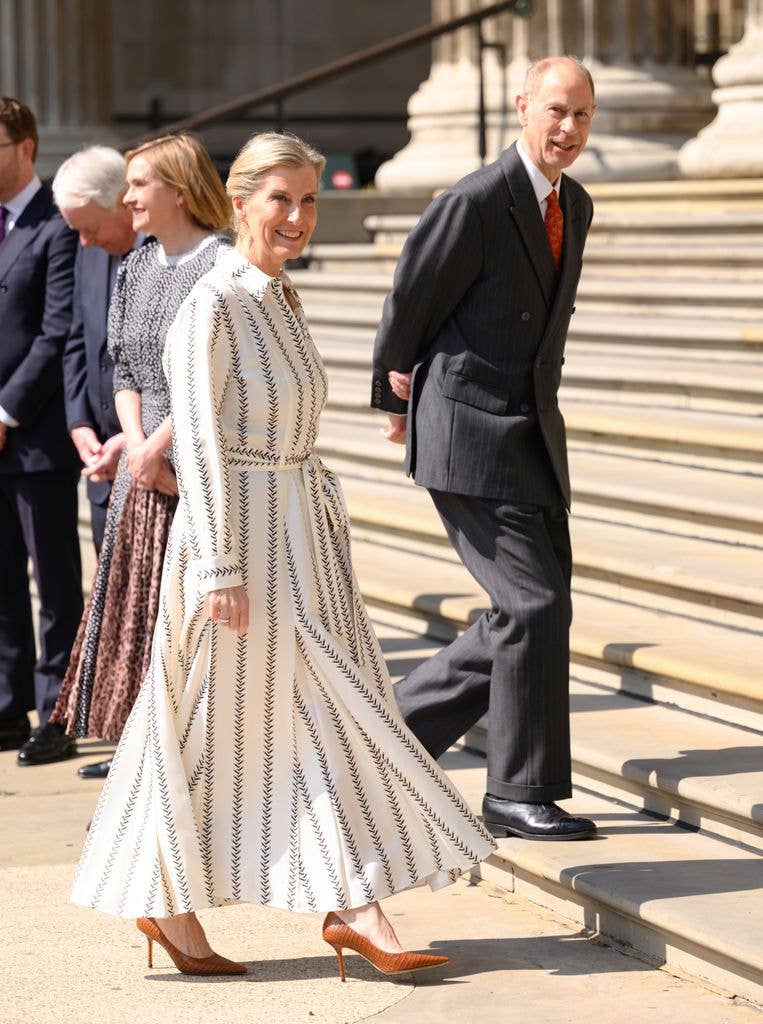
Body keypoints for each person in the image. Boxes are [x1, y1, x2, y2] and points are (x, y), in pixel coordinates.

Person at [70, 131, 495, 978]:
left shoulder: (277, 295)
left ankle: (248, 907)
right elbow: (198, 442)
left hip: (300, 536)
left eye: (309, 200)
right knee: (247, 725)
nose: (297, 217)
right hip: (240, 548)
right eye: (280, 200)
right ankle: (345, 907)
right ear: (238, 201)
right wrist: (222, 567)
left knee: (263, 728)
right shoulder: (215, 301)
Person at [371, 56, 599, 842]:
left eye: (580, 116)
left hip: (530, 432)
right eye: (555, 111)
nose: (566, 129)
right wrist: (391, 401)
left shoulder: (578, 205)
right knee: (531, 605)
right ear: (522, 105)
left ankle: (384, 736)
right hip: (464, 429)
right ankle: (514, 791)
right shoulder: (471, 200)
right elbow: (411, 298)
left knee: (528, 612)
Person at [49, 134, 231, 780]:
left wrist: (160, 446)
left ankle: (193, 749)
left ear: (178, 191)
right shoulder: (137, 266)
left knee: (183, 616)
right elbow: (121, 366)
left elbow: (220, 376)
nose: (128, 199)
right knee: (141, 613)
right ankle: (143, 743)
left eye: (138, 186)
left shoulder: (223, 267)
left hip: (193, 463)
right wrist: (133, 439)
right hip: (141, 468)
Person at [0, 97, 82, 765]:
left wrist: (5, 410)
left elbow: (58, 332)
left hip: (36, 437)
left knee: (53, 582)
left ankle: (57, 710)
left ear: (24, 147)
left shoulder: (59, 223)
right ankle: (6, 704)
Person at [53, 146, 140, 555]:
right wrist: (78, 422)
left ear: (122, 201)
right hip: (102, 472)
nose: (84, 241)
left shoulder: (166, 250)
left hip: (155, 467)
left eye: (90, 228)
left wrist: (134, 436)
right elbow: (76, 339)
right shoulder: (88, 248)